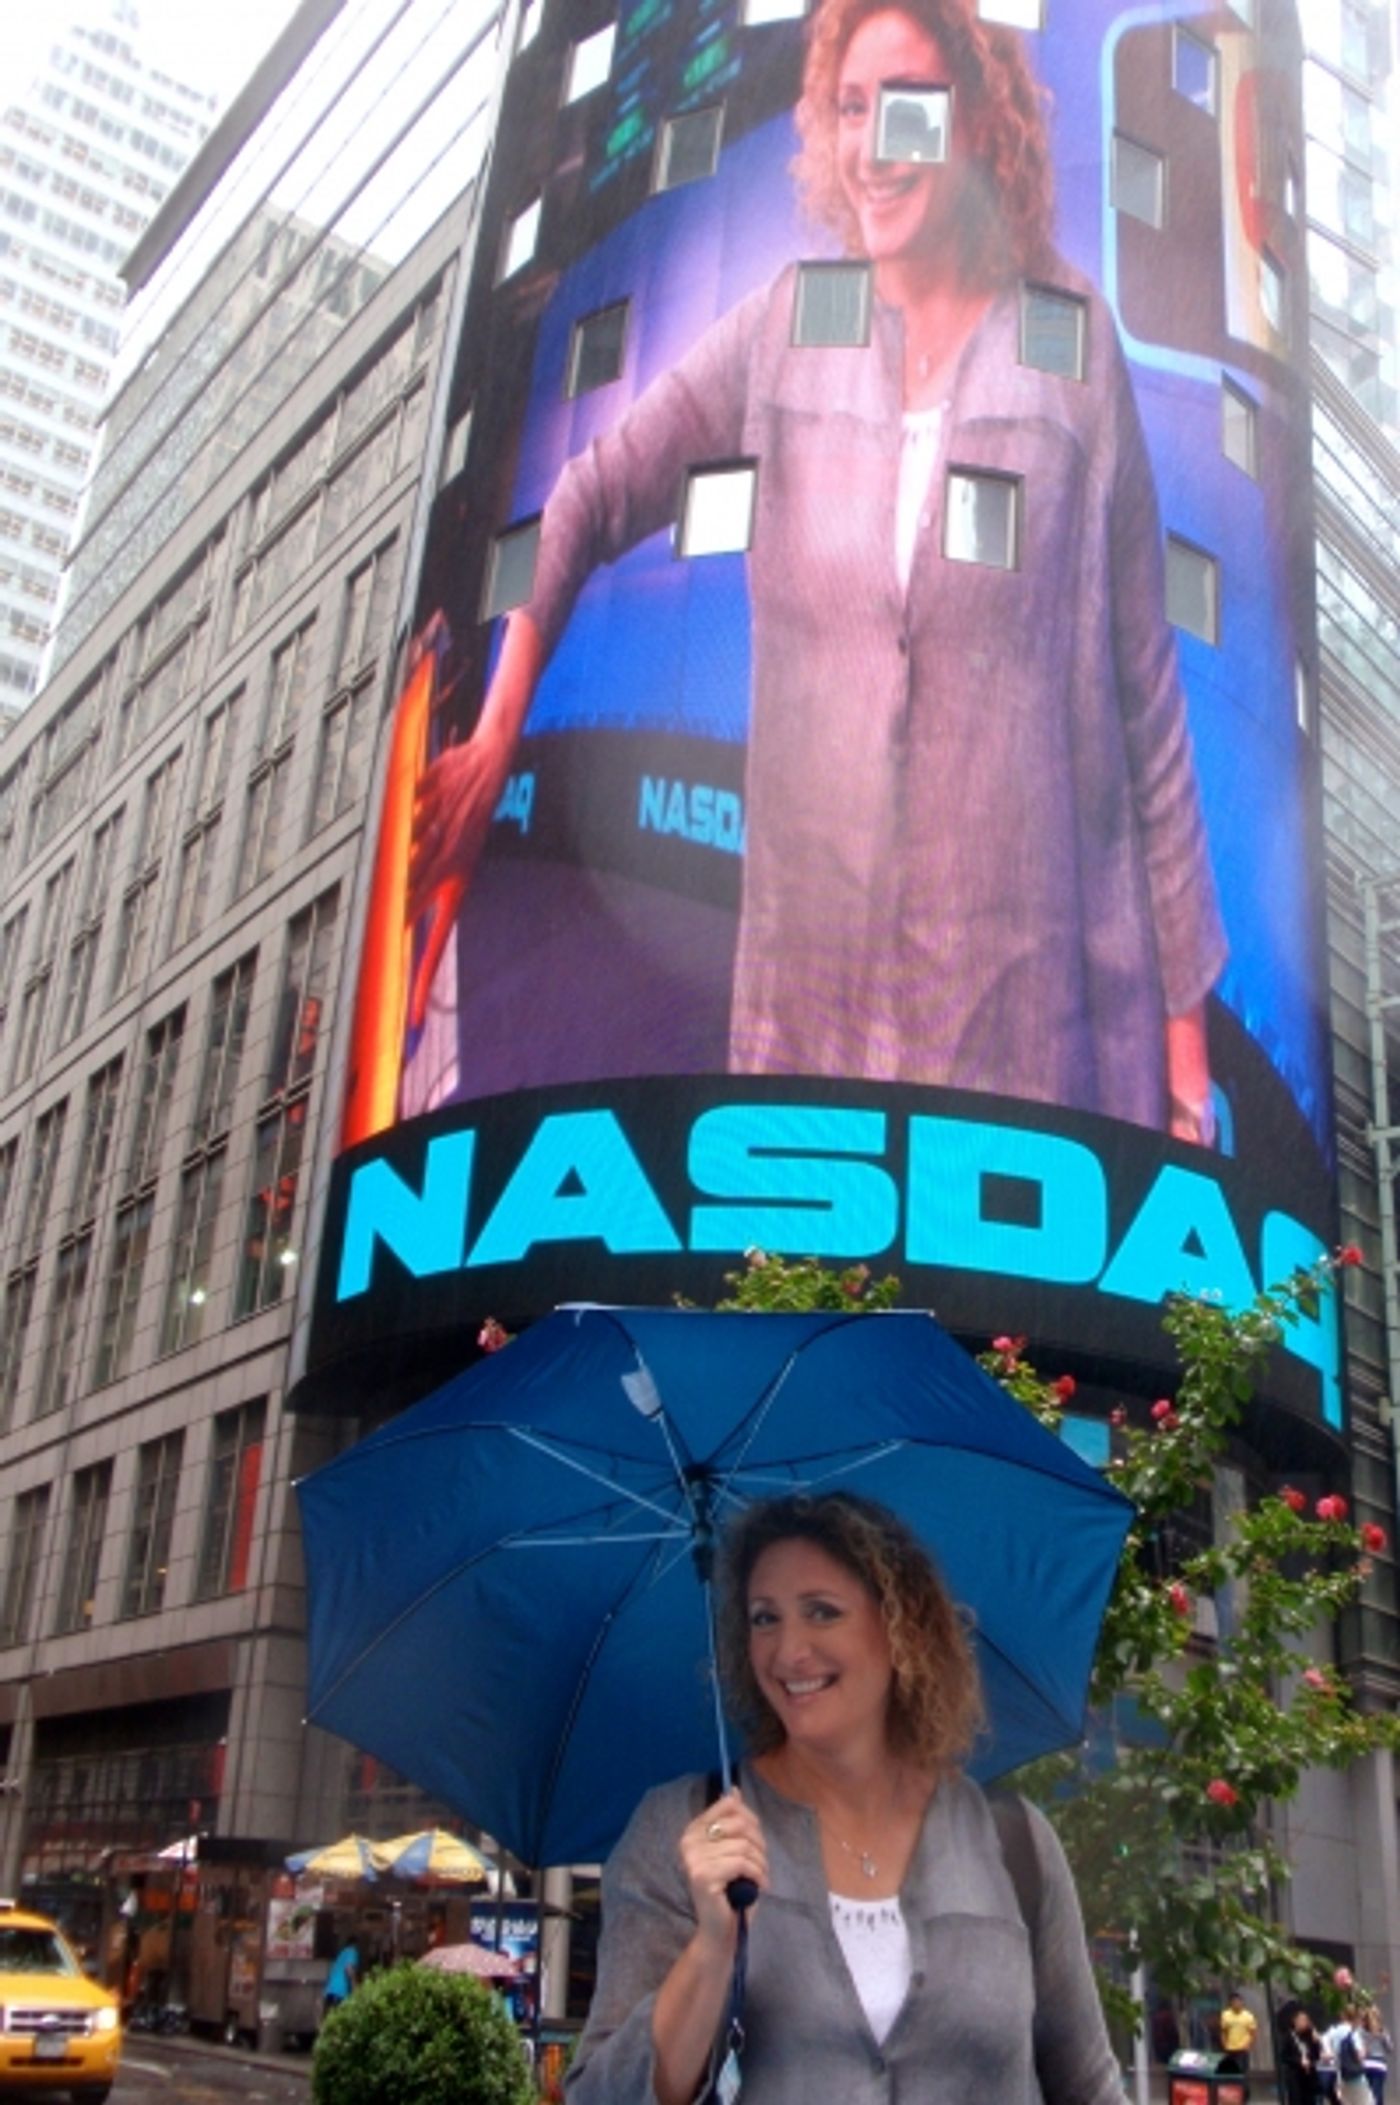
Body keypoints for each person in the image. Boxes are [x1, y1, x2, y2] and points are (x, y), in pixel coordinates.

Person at [410, 0, 1225, 1139]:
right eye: (849, 108)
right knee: (802, 1311)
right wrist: (496, 733)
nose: (871, 147)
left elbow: (1147, 704)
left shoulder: (1069, 340)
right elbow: (587, 500)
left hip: (1018, 1048)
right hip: (810, 1042)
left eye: (903, 106)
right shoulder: (791, 324)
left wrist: (1183, 1085)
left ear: (978, 120)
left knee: (994, 1321)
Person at [564, 1491, 1122, 2103]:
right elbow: (603, 2096)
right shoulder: (687, 1830)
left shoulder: (1014, 1844)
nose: (789, 1651)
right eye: (764, 1618)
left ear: (899, 1627)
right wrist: (713, 1947)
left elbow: (1089, 2086)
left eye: (822, 1612)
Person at [1280, 2007, 1324, 2105]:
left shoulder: (1309, 2036)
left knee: (1310, 2100)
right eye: (1301, 2020)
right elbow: (1284, 2056)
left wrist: (1316, 2043)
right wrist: (1299, 2061)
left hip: (1309, 2076)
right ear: (1295, 2021)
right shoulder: (1289, 2037)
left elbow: (1316, 2056)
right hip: (1295, 2076)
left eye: (1306, 2020)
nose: (1304, 2023)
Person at [1220, 1990, 1260, 2073]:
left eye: (1238, 2001)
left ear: (1242, 2002)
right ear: (1231, 2003)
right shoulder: (1226, 2015)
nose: (1236, 2003)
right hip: (1230, 2049)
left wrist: (1248, 2045)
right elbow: (1223, 2031)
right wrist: (1224, 2045)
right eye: (1234, 2001)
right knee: (1231, 2071)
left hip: (1242, 2049)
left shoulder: (1248, 2016)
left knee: (1243, 2071)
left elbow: (1253, 2033)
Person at [322, 1937, 359, 2020]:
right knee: (340, 2019)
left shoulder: (342, 1953)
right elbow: (349, 1969)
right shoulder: (352, 1951)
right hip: (340, 1991)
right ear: (355, 1944)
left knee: (330, 2020)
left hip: (330, 1991)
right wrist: (355, 1987)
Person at [1362, 2006, 1392, 2105]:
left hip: (1366, 2064)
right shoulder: (1383, 2031)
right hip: (1379, 2065)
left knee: (1369, 2094)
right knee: (1377, 2093)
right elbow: (1390, 2048)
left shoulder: (1362, 2031)